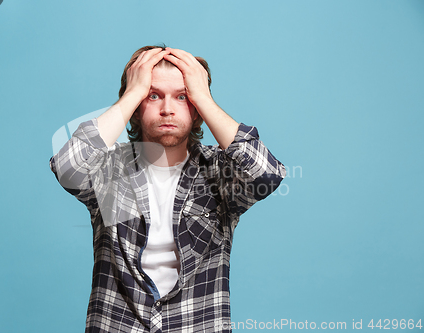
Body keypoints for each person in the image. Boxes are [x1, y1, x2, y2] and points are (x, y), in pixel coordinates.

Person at [50, 45, 286, 333]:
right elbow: (68, 167)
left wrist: (204, 99)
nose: (167, 109)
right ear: (137, 109)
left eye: (182, 97)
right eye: (153, 95)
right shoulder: (108, 169)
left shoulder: (220, 173)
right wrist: (132, 94)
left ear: (197, 111)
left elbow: (266, 175)